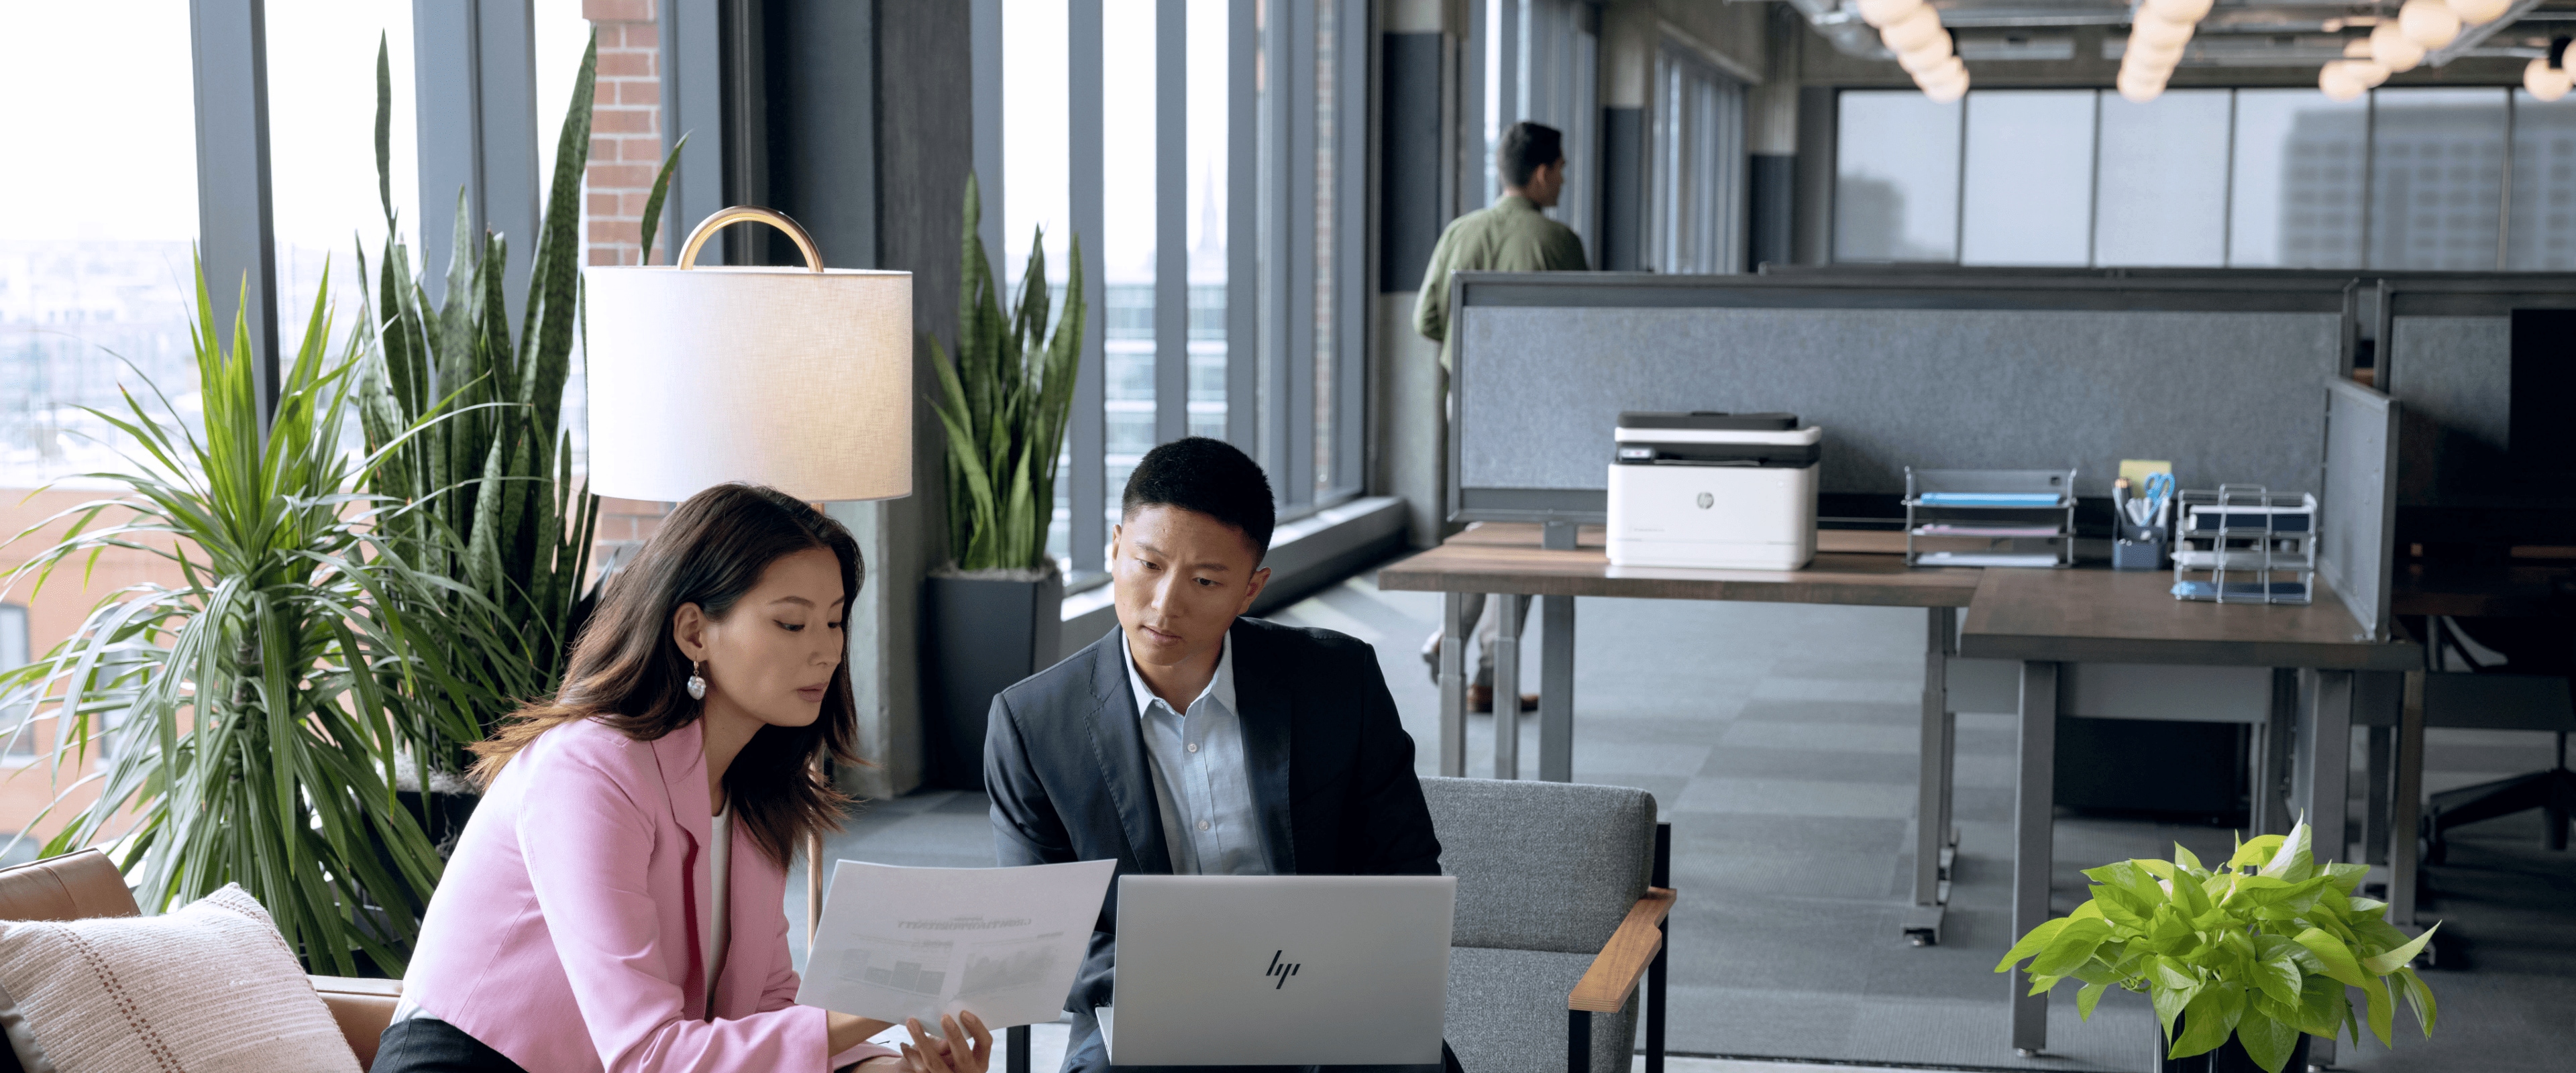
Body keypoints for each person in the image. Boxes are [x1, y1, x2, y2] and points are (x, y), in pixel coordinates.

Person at [381, 484, 993, 1073]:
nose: (827, 651)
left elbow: (769, 1009)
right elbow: (650, 1056)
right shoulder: (589, 772)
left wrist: (899, 1067)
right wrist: (883, 997)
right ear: (694, 632)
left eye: (834, 622)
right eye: (791, 623)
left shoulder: (752, 788)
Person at [983, 437, 1450, 1073]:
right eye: (1147, 564)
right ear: (1114, 547)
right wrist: (1191, 985)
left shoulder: (1338, 681)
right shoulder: (1032, 723)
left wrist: (1319, 979)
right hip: (1142, 1011)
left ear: (1251, 589)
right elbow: (1043, 937)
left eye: (1205, 581)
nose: (1166, 603)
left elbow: (1406, 870)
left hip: (1324, 995)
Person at [1411, 120, 1589, 715]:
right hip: (1535, 408)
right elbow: (1581, 327)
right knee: (1524, 537)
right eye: (1561, 168)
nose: (1563, 178)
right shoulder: (1557, 242)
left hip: (1468, 398)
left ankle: (1468, 661)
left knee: (1477, 529)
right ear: (1542, 172)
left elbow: (1426, 320)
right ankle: (1482, 664)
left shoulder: (1461, 231)